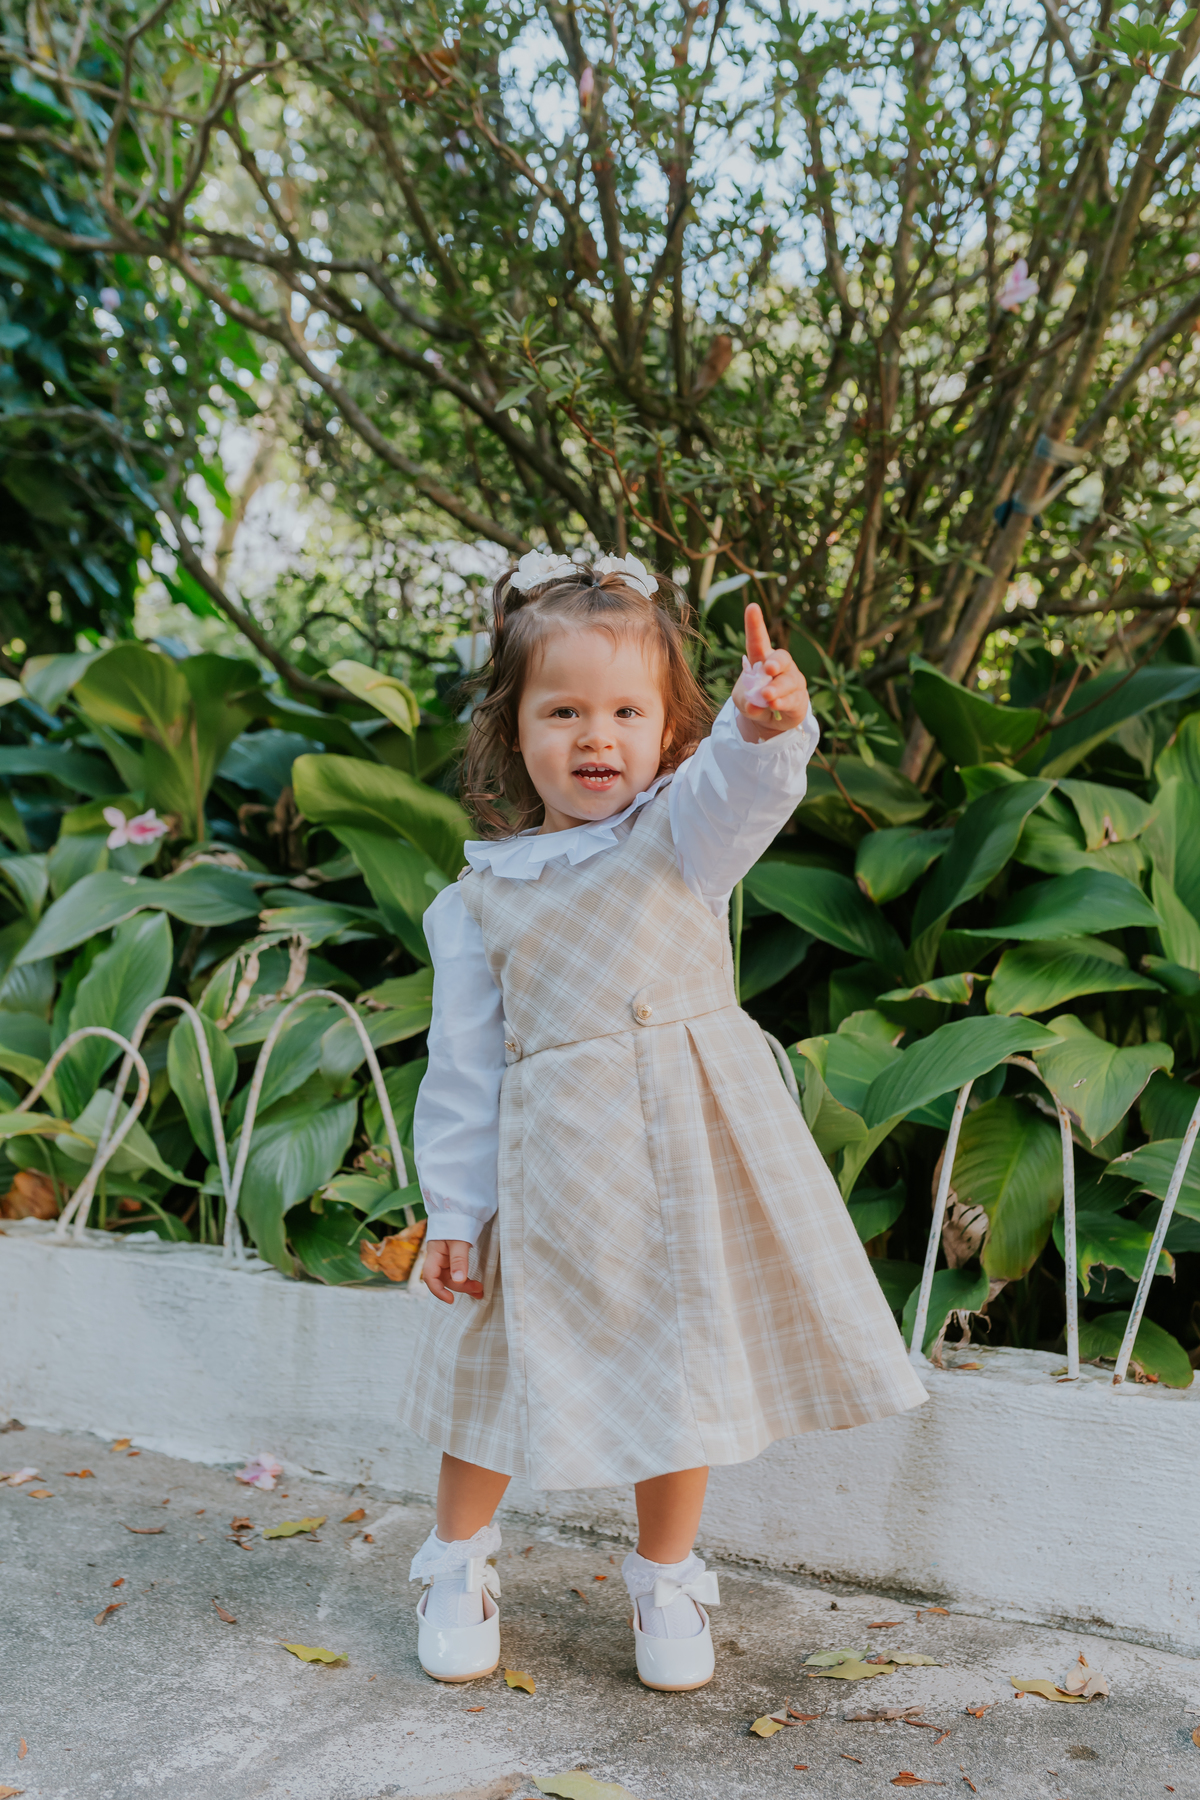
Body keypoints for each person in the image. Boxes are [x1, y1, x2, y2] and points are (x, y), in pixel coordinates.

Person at [400, 551, 927, 1691]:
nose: (598, 737)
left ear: (668, 730)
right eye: (564, 711)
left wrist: (764, 721)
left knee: (681, 1365)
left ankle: (668, 1579)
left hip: (685, 1154)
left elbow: (742, 786)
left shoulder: (683, 840)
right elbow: (462, 1064)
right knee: (489, 1376)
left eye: (628, 711)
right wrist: (454, 1208)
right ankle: (458, 1560)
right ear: (513, 728)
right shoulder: (479, 898)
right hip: (548, 1175)